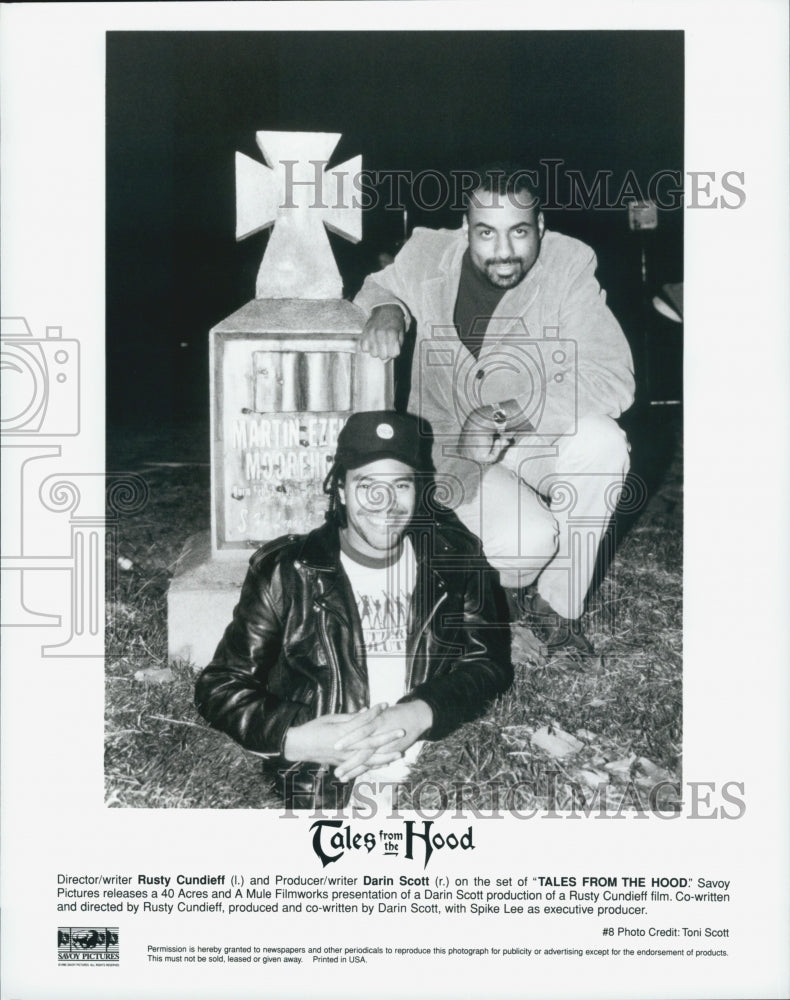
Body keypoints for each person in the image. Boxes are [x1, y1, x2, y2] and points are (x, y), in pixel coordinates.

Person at [355, 164, 635, 653]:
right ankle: (494, 593)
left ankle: (558, 607)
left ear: (540, 227)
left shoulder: (569, 266)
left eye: (519, 231)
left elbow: (613, 379)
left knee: (602, 442)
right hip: (450, 449)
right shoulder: (426, 252)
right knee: (528, 544)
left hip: (532, 438)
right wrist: (388, 309)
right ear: (466, 229)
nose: (504, 251)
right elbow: (380, 285)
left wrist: (507, 414)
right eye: (487, 233)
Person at [195, 411, 512, 810]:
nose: (386, 503)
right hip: (322, 778)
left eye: (401, 484)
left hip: (429, 767)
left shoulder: (454, 558)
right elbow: (220, 686)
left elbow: (489, 665)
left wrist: (418, 714)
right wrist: (297, 737)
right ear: (341, 490)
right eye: (367, 485)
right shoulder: (288, 571)